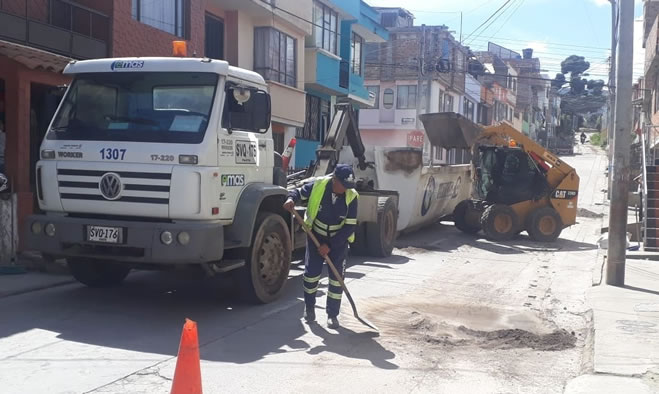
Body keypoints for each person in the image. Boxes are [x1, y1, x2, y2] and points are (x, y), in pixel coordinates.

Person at [284, 164, 359, 329]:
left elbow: (350, 226)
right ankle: (309, 308)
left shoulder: (352, 196)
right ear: (334, 180)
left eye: (349, 186)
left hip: (338, 241)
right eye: (344, 185)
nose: (346, 189)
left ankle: (332, 315)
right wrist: (291, 199)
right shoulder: (319, 185)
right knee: (311, 275)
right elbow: (298, 192)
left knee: (336, 280)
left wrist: (330, 245)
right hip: (315, 236)